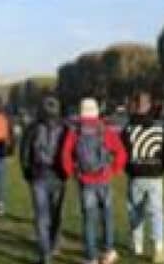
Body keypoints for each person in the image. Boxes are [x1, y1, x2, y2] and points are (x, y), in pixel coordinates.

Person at [61, 97, 127, 264]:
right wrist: (113, 170)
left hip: (85, 179)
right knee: (107, 216)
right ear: (96, 110)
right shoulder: (105, 129)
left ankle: (91, 257)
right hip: (104, 178)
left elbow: (65, 155)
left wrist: (73, 173)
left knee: (89, 219)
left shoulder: (75, 130)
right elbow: (121, 153)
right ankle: (109, 251)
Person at [19, 97, 68, 264]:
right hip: (58, 174)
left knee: (41, 216)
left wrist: (27, 172)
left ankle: (45, 254)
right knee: (56, 214)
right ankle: (53, 244)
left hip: (39, 174)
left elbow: (24, 151)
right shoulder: (65, 128)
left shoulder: (32, 128)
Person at [122, 91, 164, 263]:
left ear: (135, 106)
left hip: (136, 175)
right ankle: (158, 249)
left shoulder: (127, 129)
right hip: (155, 176)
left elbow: (122, 155)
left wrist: (129, 170)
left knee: (136, 211)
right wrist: (161, 171)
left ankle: (138, 246)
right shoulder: (160, 128)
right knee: (157, 212)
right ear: (149, 106)